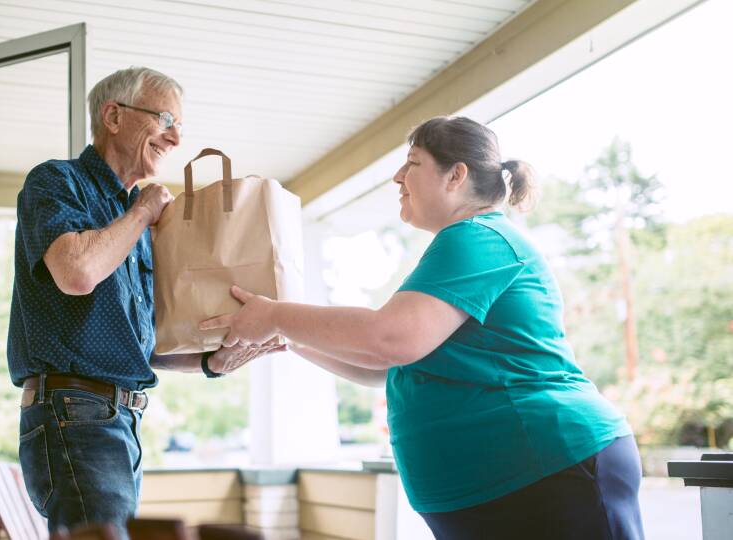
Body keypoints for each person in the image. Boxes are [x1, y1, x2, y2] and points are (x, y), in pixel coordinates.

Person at [202, 116, 645, 539]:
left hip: (548, 467)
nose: (397, 177)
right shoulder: (461, 246)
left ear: (455, 176)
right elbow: (384, 364)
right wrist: (286, 336)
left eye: (412, 164)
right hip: (505, 485)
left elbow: (390, 338)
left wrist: (276, 314)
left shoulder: (479, 236)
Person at [7, 67, 282, 535]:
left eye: (180, 126)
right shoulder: (58, 181)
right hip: (75, 412)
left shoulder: (132, 223)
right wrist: (142, 211)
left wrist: (214, 361)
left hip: (117, 421)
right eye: (165, 120)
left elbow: (142, 346)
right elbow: (77, 273)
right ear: (113, 116)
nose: (176, 139)